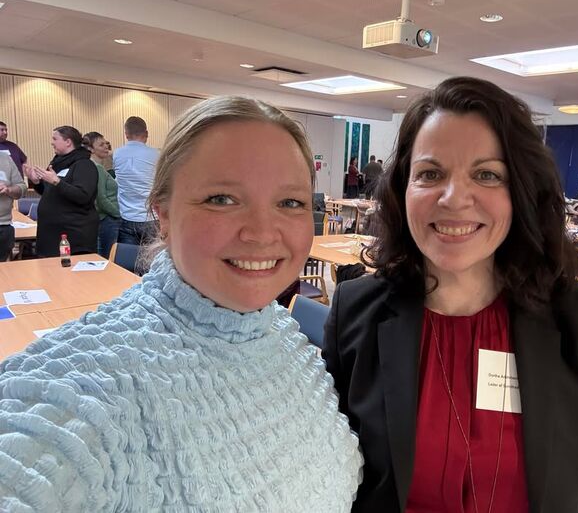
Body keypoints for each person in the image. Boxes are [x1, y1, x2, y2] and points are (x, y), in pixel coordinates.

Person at [0, 96, 362, 511]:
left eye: (290, 202)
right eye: (222, 198)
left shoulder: (287, 337)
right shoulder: (82, 390)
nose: (263, 233)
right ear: (163, 213)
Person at [323, 77, 578, 512]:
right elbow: (330, 478)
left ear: (521, 191)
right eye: (430, 174)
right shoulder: (355, 312)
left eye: (487, 174)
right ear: (403, 189)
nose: (454, 199)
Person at [24, 126, 99, 257]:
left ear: (68, 142)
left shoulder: (84, 165)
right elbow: (50, 192)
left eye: (55, 139)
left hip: (74, 236)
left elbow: (83, 196)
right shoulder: (57, 163)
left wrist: (56, 181)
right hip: (51, 236)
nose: (51, 142)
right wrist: (36, 182)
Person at [113, 116, 159, 245]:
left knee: (126, 257)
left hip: (127, 217)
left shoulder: (117, 154)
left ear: (126, 134)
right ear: (146, 133)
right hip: (151, 217)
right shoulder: (156, 154)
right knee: (153, 257)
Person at [83, 131, 121, 258]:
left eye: (106, 143)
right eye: (101, 145)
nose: (106, 147)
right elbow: (101, 199)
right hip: (107, 219)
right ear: (90, 149)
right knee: (108, 258)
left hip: (104, 218)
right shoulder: (97, 168)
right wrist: (118, 214)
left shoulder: (94, 166)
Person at [0, 152, 27, 261]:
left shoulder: (5, 158)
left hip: (4, 226)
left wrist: (8, 190)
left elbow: (22, 188)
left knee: (3, 269)